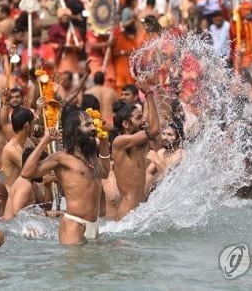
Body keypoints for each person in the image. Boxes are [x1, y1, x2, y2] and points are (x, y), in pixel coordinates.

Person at [21, 106, 110, 245]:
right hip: (74, 226)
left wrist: (104, 143)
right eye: (87, 125)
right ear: (76, 132)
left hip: (94, 225)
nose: (93, 128)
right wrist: (45, 141)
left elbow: (105, 173)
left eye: (92, 123)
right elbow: (27, 173)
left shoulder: (92, 157)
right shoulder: (61, 158)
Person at [112, 82, 160, 220]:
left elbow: (154, 129)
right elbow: (154, 130)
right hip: (126, 214)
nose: (143, 119)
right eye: (138, 118)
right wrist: (149, 95)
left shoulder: (137, 141)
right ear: (126, 124)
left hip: (137, 213)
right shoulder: (120, 141)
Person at [3, 147, 54, 220]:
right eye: (43, 167)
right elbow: (17, 212)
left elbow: (46, 208)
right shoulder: (24, 184)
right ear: (34, 166)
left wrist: (48, 187)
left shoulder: (32, 184)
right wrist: (43, 214)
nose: (46, 170)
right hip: (13, 228)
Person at [145, 121, 185, 196]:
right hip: (158, 192)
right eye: (163, 133)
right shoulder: (161, 152)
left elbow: (171, 180)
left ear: (178, 138)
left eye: (169, 134)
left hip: (172, 194)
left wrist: (157, 161)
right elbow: (148, 174)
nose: (164, 137)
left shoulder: (181, 155)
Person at [1, 107, 34, 191]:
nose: (34, 127)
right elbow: (33, 170)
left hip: (28, 192)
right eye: (33, 124)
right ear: (27, 125)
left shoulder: (28, 141)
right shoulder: (11, 149)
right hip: (14, 196)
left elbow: (40, 159)